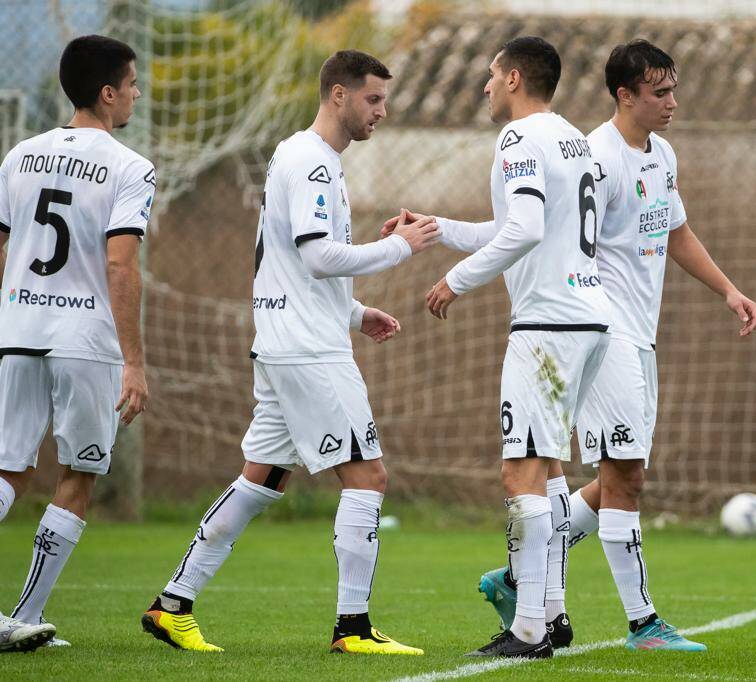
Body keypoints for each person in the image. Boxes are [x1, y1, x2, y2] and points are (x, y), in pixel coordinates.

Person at [141, 50, 436, 655]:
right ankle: (352, 630)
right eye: (373, 99)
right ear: (338, 96)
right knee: (367, 475)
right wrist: (402, 248)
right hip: (308, 351)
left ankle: (172, 604)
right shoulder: (314, 162)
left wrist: (355, 312)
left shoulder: (297, 155)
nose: (382, 111)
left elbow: (288, 265)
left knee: (261, 477)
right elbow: (318, 256)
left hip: (287, 341)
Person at [470, 39, 756, 652]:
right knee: (623, 478)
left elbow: (674, 231)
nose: (671, 102)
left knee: (622, 476)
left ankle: (523, 577)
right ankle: (642, 623)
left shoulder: (662, 155)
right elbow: (556, 240)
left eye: (673, 89)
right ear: (624, 95)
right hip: (604, 334)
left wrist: (729, 290)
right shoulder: (595, 155)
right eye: (659, 92)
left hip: (639, 337)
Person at [391, 35, 613, 659]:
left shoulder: (518, 138)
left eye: (491, 76)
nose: (485, 87)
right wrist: (435, 233)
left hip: (548, 326)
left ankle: (527, 631)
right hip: (590, 317)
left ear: (514, 78)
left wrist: (454, 281)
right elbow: (517, 229)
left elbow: (524, 229)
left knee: (520, 473)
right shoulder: (572, 137)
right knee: (549, 470)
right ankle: (555, 616)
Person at [0, 34, 153, 652]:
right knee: (80, 471)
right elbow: (120, 266)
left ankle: (17, 621)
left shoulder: (18, 156)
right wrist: (135, 362)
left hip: (16, 330)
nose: (138, 94)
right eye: (133, 84)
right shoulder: (129, 166)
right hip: (85, 340)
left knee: (9, 468)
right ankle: (22, 614)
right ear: (108, 93)